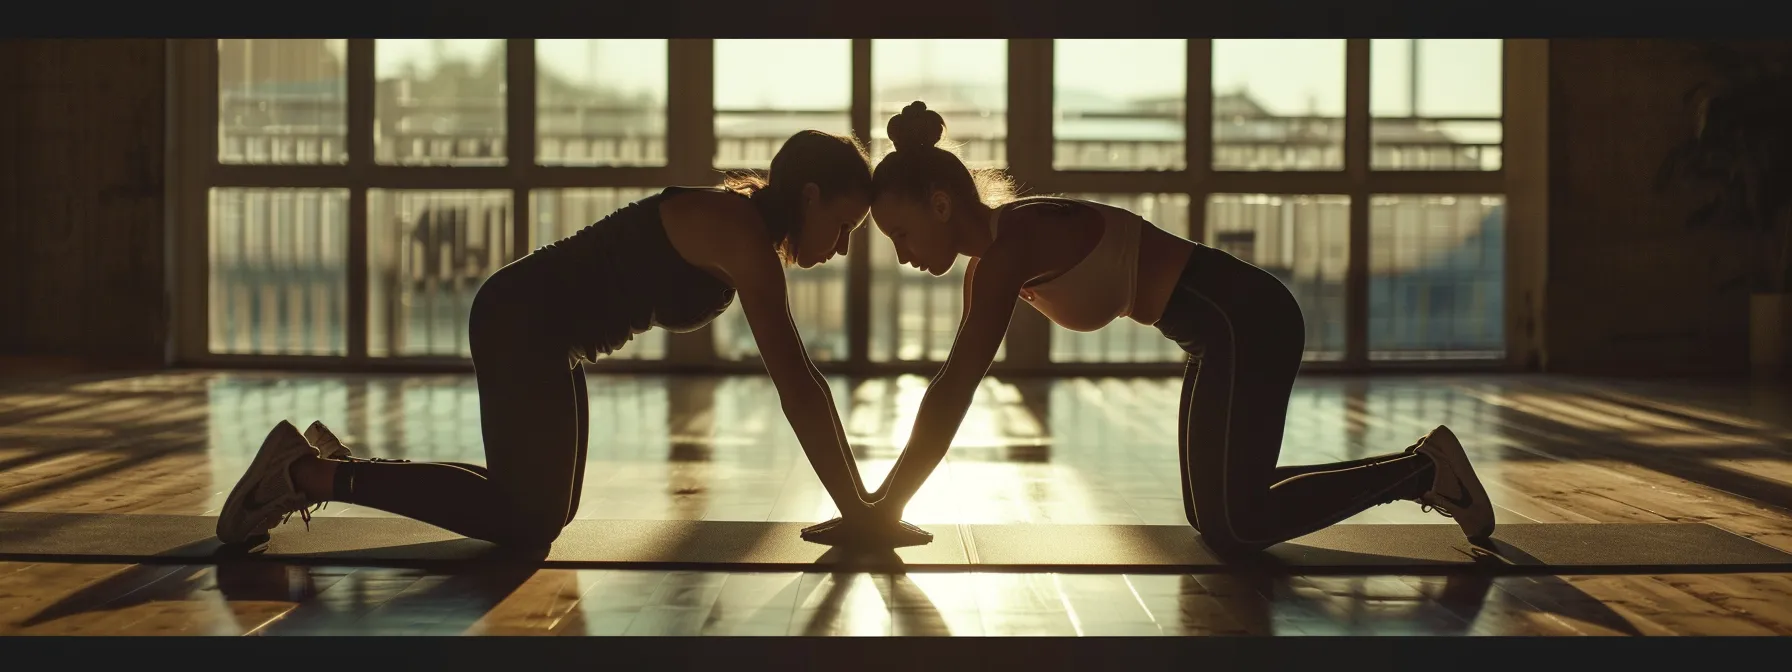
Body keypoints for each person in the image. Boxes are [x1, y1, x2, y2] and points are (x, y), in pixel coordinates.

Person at [803, 102, 1496, 555]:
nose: (899, 253)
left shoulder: (1009, 246)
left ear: (941, 201)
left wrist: (881, 509)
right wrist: (878, 507)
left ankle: (1424, 470)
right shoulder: (996, 253)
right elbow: (953, 385)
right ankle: (1424, 467)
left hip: (1243, 317)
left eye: (900, 232)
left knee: (1234, 522)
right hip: (1214, 330)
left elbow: (955, 386)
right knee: (1215, 511)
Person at [216, 130, 904, 549]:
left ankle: (327, 463)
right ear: (809, 196)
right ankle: (305, 473)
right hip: (521, 320)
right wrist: (861, 512)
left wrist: (864, 509)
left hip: (549, 336)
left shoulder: (746, 231)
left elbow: (804, 385)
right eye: (844, 226)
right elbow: (797, 384)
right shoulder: (739, 232)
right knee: (527, 520)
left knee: (542, 510)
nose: (842, 248)